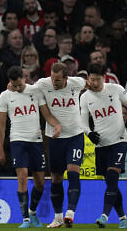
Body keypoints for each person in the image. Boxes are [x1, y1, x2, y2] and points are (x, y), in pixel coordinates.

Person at [80, 63, 127, 229]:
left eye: (98, 80)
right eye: (92, 79)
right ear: (88, 78)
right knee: (110, 182)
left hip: (119, 141)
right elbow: (83, 121)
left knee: (113, 176)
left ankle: (104, 215)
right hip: (101, 144)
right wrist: (89, 133)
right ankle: (123, 217)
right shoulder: (85, 97)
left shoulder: (115, 89)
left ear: (104, 77)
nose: (95, 83)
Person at [0, 66, 61, 228]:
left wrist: (57, 125)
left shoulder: (35, 91)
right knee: (22, 176)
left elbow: (46, 114)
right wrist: (0, 149)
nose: (17, 88)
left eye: (20, 85)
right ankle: (25, 219)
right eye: (14, 85)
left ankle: (32, 212)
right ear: (9, 82)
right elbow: (1, 126)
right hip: (17, 141)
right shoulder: (5, 96)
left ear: (24, 78)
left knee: (40, 182)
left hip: (36, 141)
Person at [34, 62, 86, 228]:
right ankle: (58, 217)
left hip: (75, 136)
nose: (53, 82)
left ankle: (70, 212)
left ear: (66, 78)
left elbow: (93, 83)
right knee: (56, 177)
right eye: (52, 78)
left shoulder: (76, 83)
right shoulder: (43, 84)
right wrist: (12, 87)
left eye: (57, 80)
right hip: (55, 138)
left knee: (72, 171)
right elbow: (27, 90)